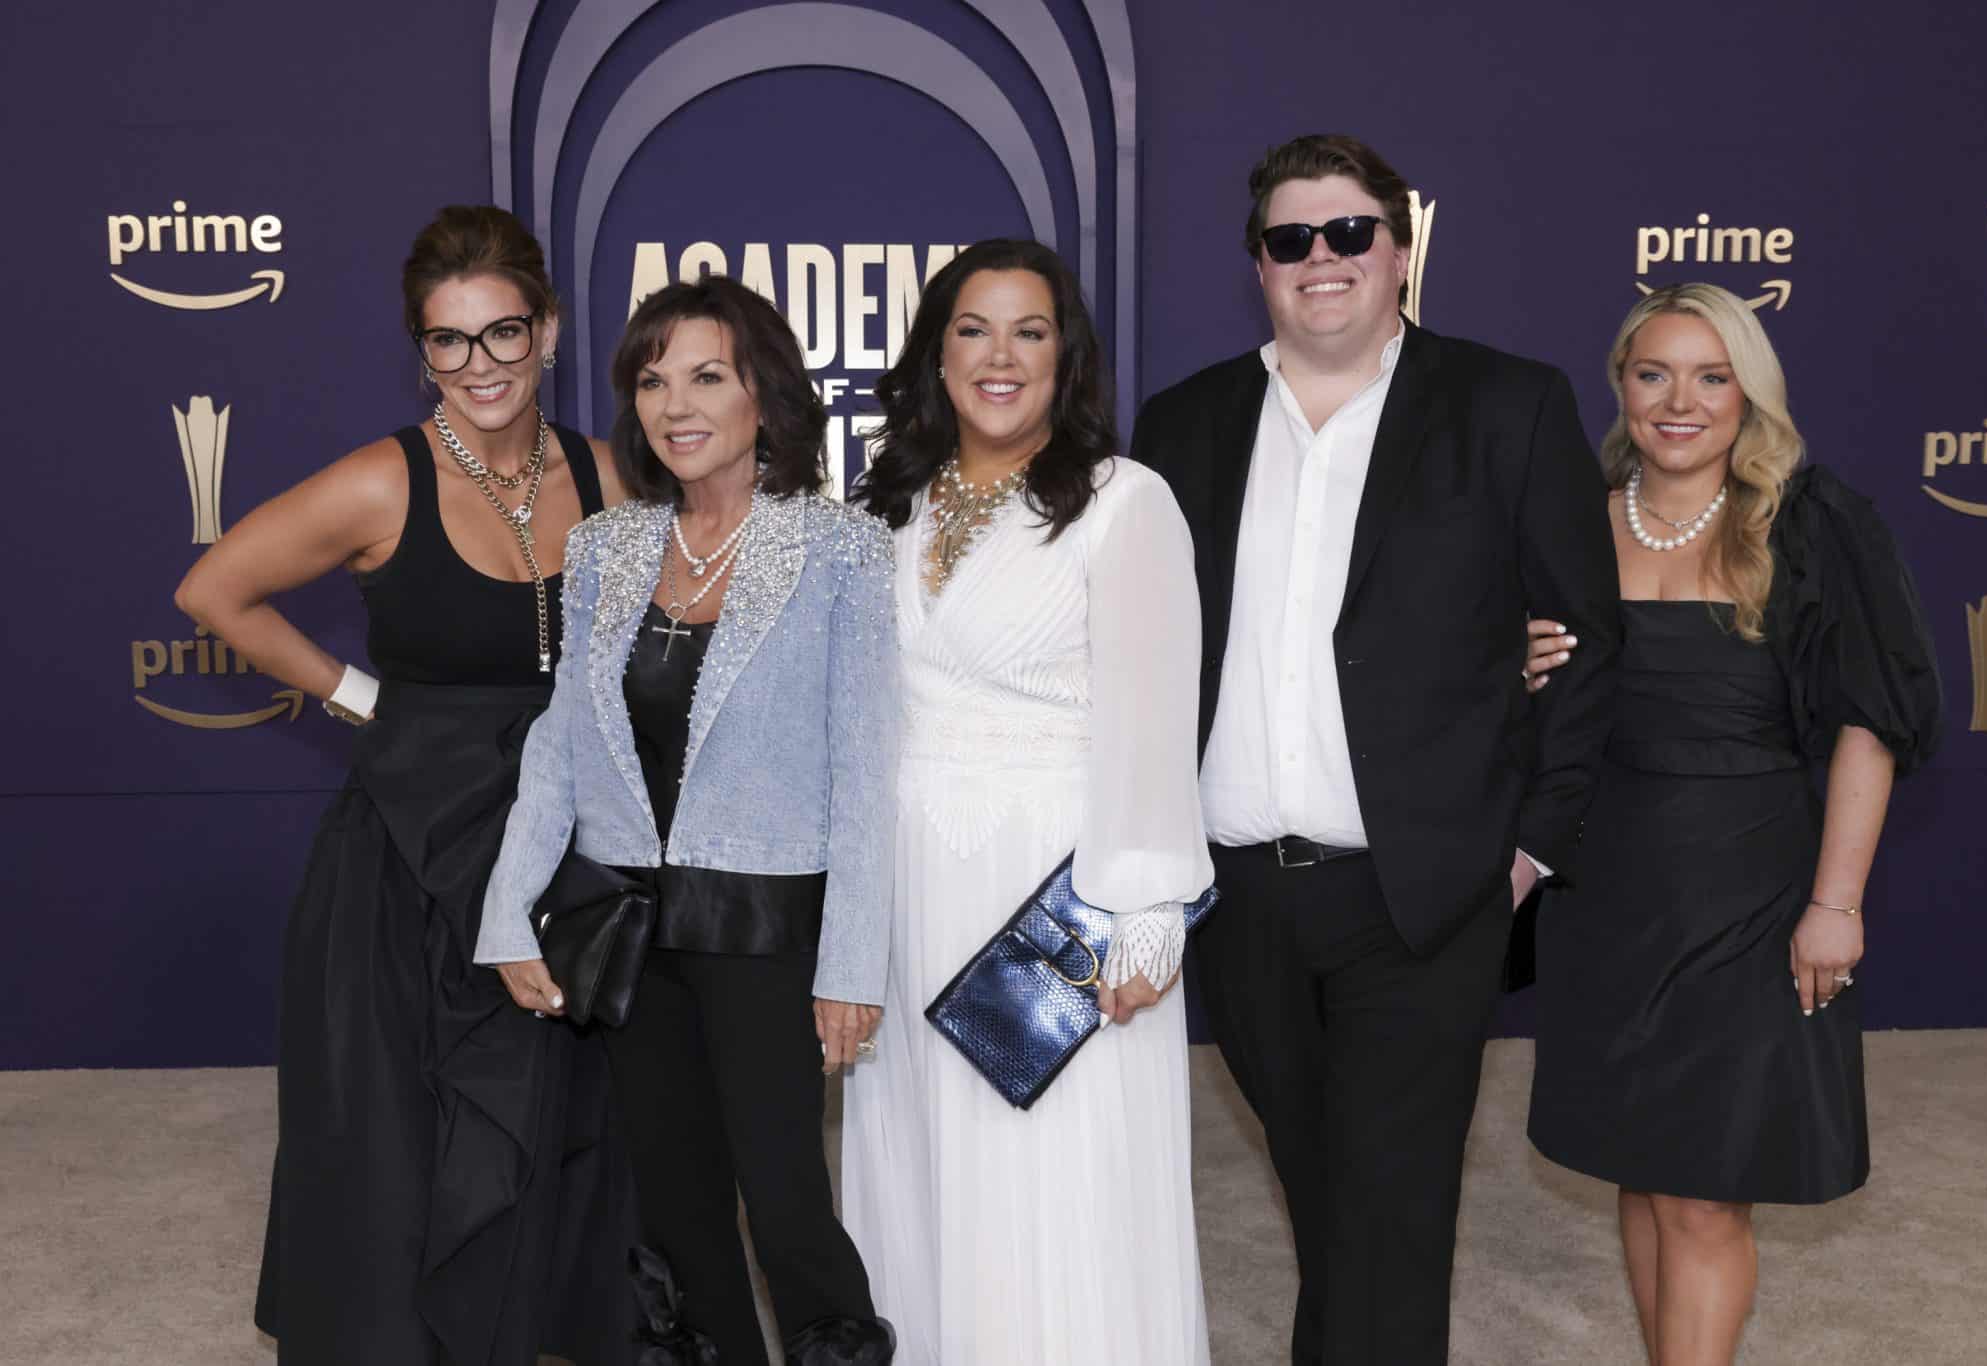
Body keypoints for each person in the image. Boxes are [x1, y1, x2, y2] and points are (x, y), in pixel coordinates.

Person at [1127, 133, 1623, 1364]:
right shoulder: (1182, 422)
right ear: (1258, 266)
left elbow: (1590, 637)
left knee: (1391, 1213)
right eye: (1291, 239)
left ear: (1398, 248)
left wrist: (1525, 852)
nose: (1322, 259)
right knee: (1333, 1204)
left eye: (1348, 231)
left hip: (1425, 891)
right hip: (1236, 894)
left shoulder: (1506, 403)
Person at [174, 205, 634, 1365]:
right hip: (412, 853)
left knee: (556, 1117)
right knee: (399, 1138)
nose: (479, 365)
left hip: (558, 844)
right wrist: (361, 697)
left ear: (550, 331)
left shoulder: (607, 474)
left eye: (503, 332)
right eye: (449, 341)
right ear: (420, 349)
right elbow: (215, 590)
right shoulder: (386, 480)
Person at [474, 276, 899, 1366]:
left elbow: (862, 770)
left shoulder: (837, 549)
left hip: (765, 929)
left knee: (787, 1200)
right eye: (653, 380)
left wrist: (851, 960)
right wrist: (509, 912)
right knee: (676, 1204)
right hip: (629, 929)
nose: (675, 404)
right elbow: (561, 742)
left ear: (764, 392)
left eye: (706, 374)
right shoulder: (607, 548)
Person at [1520, 283, 1941, 1366]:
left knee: (1706, 1196)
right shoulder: (1570, 516)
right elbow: (1512, 702)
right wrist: (1515, 670)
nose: (1678, 401)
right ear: (1618, 382)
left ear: (1747, 394)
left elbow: (1866, 724)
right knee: (1641, 1162)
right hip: (1601, 893)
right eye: (1652, 372)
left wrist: (1833, 904)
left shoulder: (1809, 520)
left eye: (1711, 377)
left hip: (1745, 895)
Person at [839, 239, 1213, 1365]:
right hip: (909, 878)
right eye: (972, 329)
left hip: (1058, 886)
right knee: (917, 1158)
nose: (999, 357)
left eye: (1028, 331)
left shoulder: (1121, 499)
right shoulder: (887, 498)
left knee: (1062, 1169)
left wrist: (1145, 899)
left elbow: (1152, 709)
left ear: (1066, 356)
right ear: (936, 353)